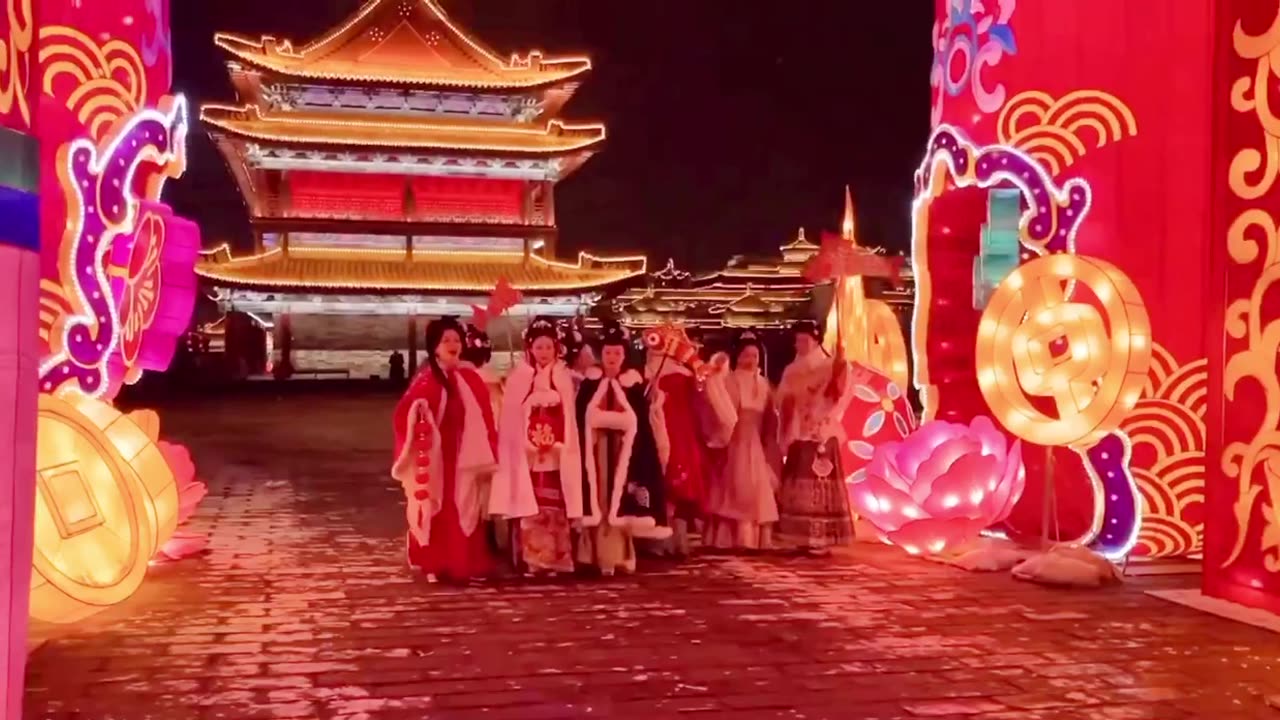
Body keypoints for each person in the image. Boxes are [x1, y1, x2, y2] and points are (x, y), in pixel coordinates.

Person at [390, 317, 499, 582]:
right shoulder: (427, 380)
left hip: (466, 454)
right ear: (435, 347)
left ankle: (468, 562)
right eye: (446, 340)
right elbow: (404, 412)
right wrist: (419, 411)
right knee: (436, 506)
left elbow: (486, 417)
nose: (453, 344)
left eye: (456, 340)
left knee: (467, 507)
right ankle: (436, 563)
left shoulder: (470, 378)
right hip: (438, 456)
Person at [491, 317, 589, 575]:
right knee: (531, 503)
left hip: (557, 453)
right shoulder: (520, 376)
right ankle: (533, 560)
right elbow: (511, 417)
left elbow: (569, 414)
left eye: (548, 347)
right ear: (530, 349)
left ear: (556, 348)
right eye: (538, 347)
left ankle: (558, 558)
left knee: (556, 505)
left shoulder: (564, 377)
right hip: (529, 455)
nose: (543, 352)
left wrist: (558, 440)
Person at [576, 322, 671, 575]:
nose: (612, 358)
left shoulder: (633, 386)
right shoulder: (589, 384)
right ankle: (591, 554)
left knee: (620, 503)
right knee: (599, 499)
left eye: (617, 353)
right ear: (601, 354)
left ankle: (618, 555)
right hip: (595, 452)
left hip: (624, 453)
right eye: (608, 353)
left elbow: (642, 424)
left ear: (624, 355)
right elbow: (578, 418)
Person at [776, 319, 854, 555]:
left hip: (822, 432)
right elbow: (782, 399)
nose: (800, 344)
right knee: (801, 483)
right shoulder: (792, 370)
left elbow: (841, 395)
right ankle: (801, 536)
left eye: (805, 340)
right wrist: (792, 409)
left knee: (821, 486)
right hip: (800, 432)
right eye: (797, 340)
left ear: (816, 340)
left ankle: (823, 538)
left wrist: (837, 376)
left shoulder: (831, 366)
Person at [703, 330, 782, 551]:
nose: (750, 360)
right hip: (735, 439)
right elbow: (723, 411)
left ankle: (755, 538)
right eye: (746, 355)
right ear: (738, 356)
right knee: (734, 486)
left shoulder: (764, 383)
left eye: (755, 356)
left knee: (758, 488)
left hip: (756, 441)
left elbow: (769, 416)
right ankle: (730, 537)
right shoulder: (730, 379)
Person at [644, 333, 709, 556]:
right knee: (675, 487)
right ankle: (674, 540)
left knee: (669, 485)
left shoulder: (663, 375)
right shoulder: (684, 376)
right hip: (678, 434)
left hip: (670, 432)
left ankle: (667, 540)